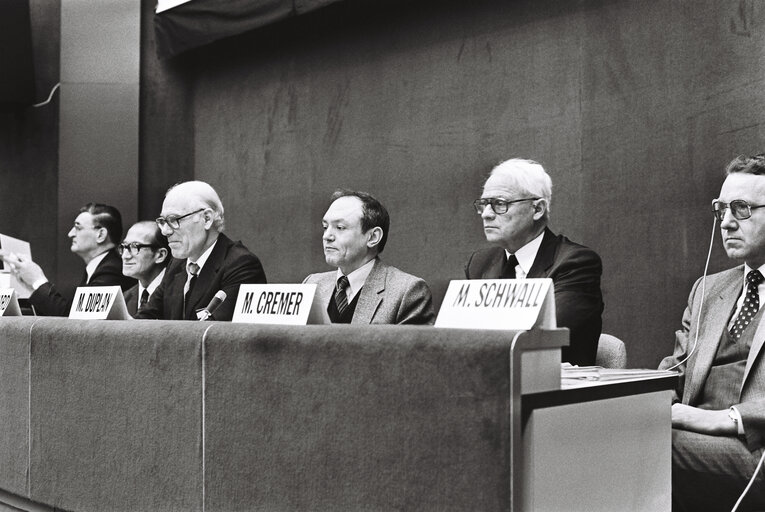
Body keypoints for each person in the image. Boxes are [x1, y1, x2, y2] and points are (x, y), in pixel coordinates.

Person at [659, 154, 765, 510]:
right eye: (721, 210)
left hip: (754, 449)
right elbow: (674, 370)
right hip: (690, 437)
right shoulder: (708, 288)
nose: (727, 223)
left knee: (649, 444)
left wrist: (723, 419)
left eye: (742, 209)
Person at [464, 158, 603, 365]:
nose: (486, 214)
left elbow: (541, 340)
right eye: (483, 204)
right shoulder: (480, 264)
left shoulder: (575, 264)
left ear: (537, 209)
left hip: (555, 390)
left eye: (499, 204)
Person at [135, 180, 266, 321]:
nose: (165, 231)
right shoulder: (177, 264)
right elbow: (145, 318)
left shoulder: (241, 265)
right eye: (162, 221)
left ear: (207, 219)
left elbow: (215, 334)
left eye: (174, 220)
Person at [303, 189, 435, 324]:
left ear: (373, 237)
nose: (327, 236)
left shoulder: (407, 291)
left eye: (340, 227)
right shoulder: (312, 284)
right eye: (325, 227)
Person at [0, 202, 135, 316]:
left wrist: (37, 281)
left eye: (78, 227)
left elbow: (73, 318)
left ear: (100, 234)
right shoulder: (102, 267)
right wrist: (31, 286)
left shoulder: (111, 270)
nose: (70, 234)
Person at [120, 221, 171, 316]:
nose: (125, 256)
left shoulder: (176, 295)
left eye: (135, 247)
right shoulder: (124, 299)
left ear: (160, 255)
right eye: (124, 247)